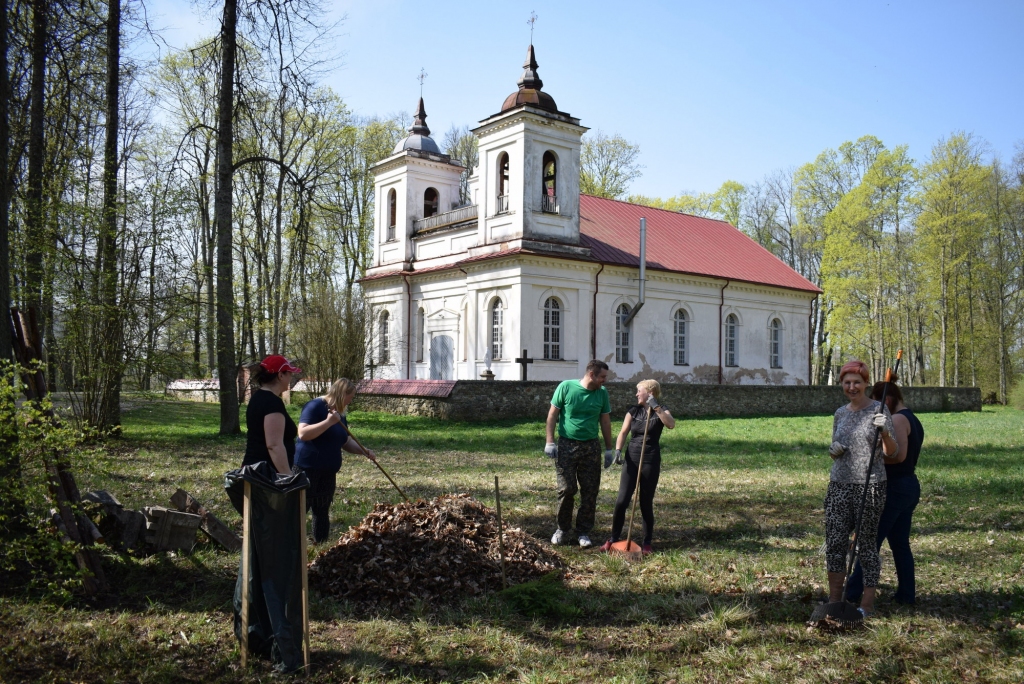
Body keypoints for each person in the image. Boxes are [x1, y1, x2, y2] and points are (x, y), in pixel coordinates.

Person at [824, 359, 899, 618]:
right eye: (847, 382)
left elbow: (893, 452)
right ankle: (834, 600)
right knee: (834, 542)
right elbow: (836, 444)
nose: (852, 387)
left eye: (857, 382)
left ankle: (866, 605)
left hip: (870, 486)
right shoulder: (840, 413)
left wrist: (885, 433)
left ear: (866, 384)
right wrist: (833, 451)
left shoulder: (878, 410)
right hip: (839, 485)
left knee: (865, 545)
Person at [846, 380, 924, 605]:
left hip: (896, 487)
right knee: (900, 544)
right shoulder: (911, 417)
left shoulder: (899, 419)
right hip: (906, 486)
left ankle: (851, 593)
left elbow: (898, 456)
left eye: (878, 403)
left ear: (887, 400)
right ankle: (906, 595)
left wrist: (870, 455)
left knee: (871, 541)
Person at [294, 378, 378, 543]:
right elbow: (303, 433)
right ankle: (292, 547)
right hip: (307, 468)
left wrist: (364, 451)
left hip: (328, 470)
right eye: (350, 397)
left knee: (322, 509)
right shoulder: (315, 406)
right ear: (342, 394)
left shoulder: (340, 413)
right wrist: (328, 422)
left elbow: (345, 441)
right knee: (299, 510)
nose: (351, 401)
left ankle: (320, 544)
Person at [544, 360, 614, 548]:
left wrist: (609, 449)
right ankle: (562, 529)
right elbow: (552, 415)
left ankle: (583, 531)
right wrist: (550, 441)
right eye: (602, 377)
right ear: (591, 374)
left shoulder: (602, 393)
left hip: (591, 448)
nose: (604, 381)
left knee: (590, 491)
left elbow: (605, 422)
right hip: (567, 445)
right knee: (567, 489)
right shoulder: (566, 387)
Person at [601, 379, 675, 555]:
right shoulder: (633, 411)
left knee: (645, 503)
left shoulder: (661, 409)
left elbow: (670, 424)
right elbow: (623, 432)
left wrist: (655, 407)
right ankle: (613, 538)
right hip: (632, 459)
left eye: (638, 391)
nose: (636, 394)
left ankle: (647, 542)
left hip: (650, 459)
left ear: (649, 392)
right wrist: (618, 450)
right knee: (622, 500)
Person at [243, 355, 301, 474]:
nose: (291, 378)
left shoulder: (258, 398)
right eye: (289, 374)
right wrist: (287, 476)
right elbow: (274, 445)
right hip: (266, 476)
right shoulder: (272, 402)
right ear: (280, 375)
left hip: (256, 472)